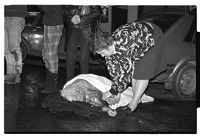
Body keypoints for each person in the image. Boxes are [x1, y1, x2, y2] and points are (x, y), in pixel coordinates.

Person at [94, 21, 167, 112]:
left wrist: (112, 91)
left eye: (102, 53)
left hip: (152, 36)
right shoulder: (109, 48)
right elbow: (115, 71)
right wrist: (117, 92)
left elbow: (126, 74)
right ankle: (137, 98)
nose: (101, 56)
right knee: (135, 72)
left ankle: (134, 103)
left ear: (108, 47)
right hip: (137, 38)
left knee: (142, 72)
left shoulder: (124, 46)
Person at [63, 5, 102, 81]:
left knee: (84, 58)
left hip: (86, 28)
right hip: (72, 28)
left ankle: (84, 83)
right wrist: (71, 17)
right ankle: (69, 83)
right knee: (69, 57)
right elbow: (64, 11)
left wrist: (82, 19)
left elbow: (97, 12)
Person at [38, 5, 64, 93]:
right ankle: (48, 82)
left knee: (51, 54)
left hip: (54, 23)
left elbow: (45, 7)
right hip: (50, 22)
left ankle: (52, 85)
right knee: (46, 53)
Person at [4, 5, 27, 84]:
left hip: (16, 16)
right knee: (5, 48)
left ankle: (16, 74)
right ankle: (10, 73)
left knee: (13, 47)